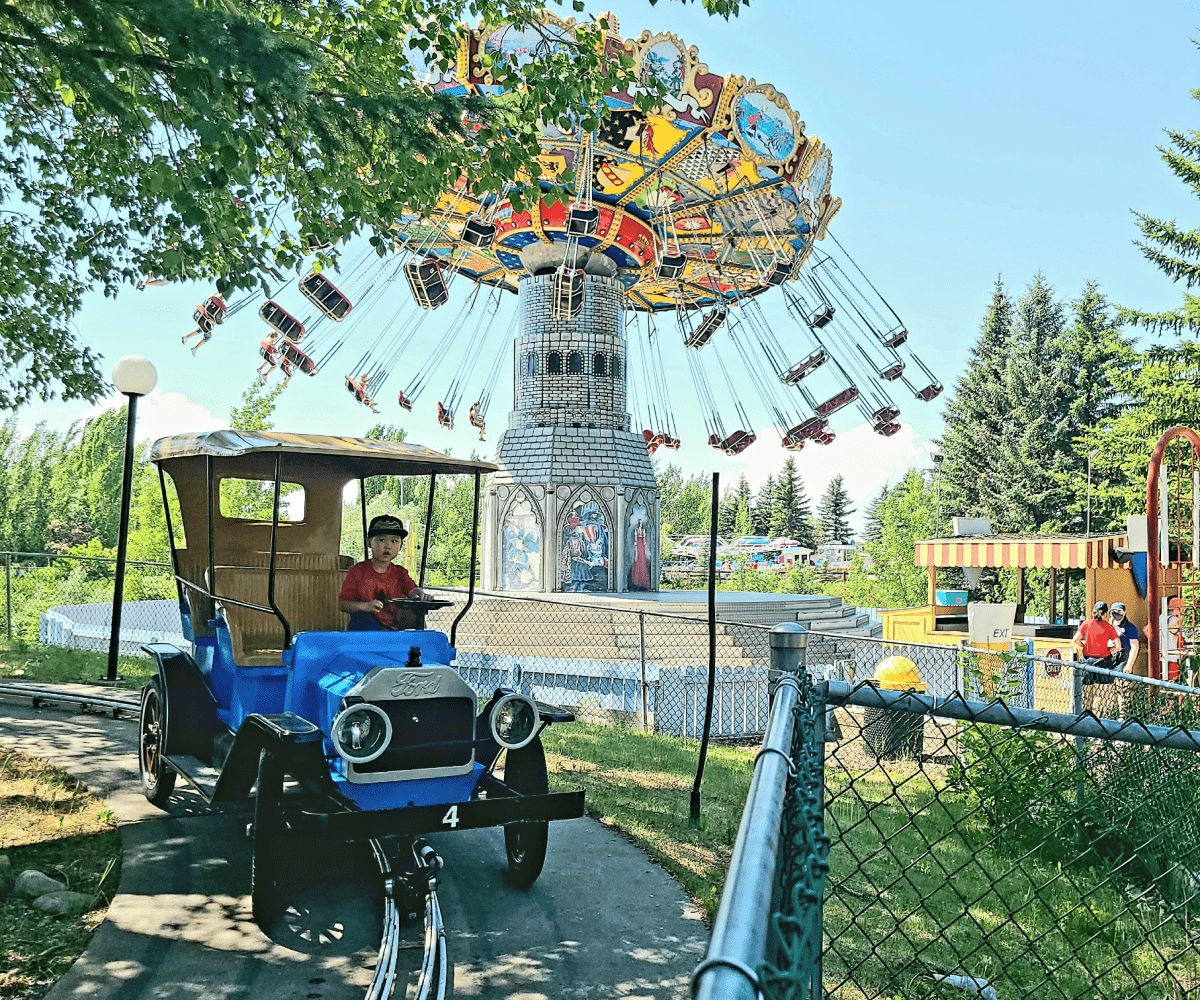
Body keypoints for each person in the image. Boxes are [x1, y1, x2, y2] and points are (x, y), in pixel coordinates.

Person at [338, 515, 425, 630]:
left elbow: (412, 591)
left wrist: (418, 594)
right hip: (368, 629)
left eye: (394, 541)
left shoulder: (400, 573)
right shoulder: (357, 571)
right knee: (362, 619)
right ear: (369, 542)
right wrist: (365, 606)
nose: (388, 546)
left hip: (396, 627)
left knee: (416, 616)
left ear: (400, 546)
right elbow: (343, 604)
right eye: (381, 540)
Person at [1073, 601, 1120, 714]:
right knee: (1102, 693)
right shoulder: (1109, 627)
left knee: (1086, 692)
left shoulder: (1086, 624)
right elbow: (1118, 646)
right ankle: (1099, 715)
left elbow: (1075, 639)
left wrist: (1084, 646)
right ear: (1105, 614)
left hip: (1087, 660)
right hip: (1103, 662)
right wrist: (1110, 650)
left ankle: (1084, 715)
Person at [1109, 602, 1141, 673]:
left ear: (1124, 612)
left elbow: (1135, 647)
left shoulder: (1130, 627)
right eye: (1113, 611)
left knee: (1120, 681)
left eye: (1119, 611)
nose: (1116, 613)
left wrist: (1129, 665)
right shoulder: (1107, 626)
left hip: (1123, 659)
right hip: (1108, 658)